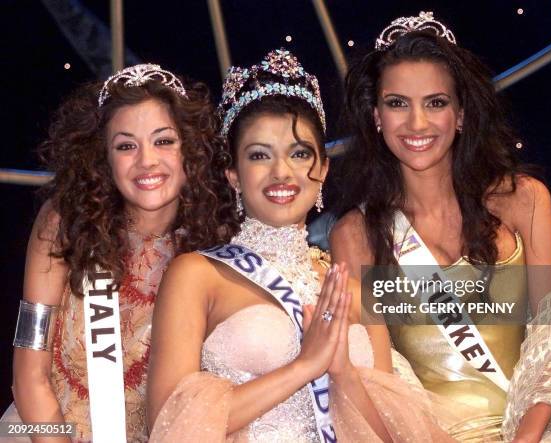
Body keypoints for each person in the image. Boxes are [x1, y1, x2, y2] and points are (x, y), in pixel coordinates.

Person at [147, 49, 461, 442]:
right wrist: (304, 366)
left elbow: (394, 433)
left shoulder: (350, 289)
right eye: (260, 155)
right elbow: (168, 421)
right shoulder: (197, 274)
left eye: (299, 154)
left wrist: (342, 372)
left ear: (323, 169)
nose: (282, 172)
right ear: (233, 174)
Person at [330, 12, 551, 442]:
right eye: (398, 103)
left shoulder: (524, 200)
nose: (417, 123)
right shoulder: (355, 235)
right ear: (376, 117)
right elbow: (377, 382)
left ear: (460, 114)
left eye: (435, 102)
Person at [4, 63, 232, 442]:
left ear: (190, 148)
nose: (147, 161)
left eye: (164, 141)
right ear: (103, 159)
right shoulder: (64, 224)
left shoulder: (216, 244)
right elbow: (27, 376)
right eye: (126, 146)